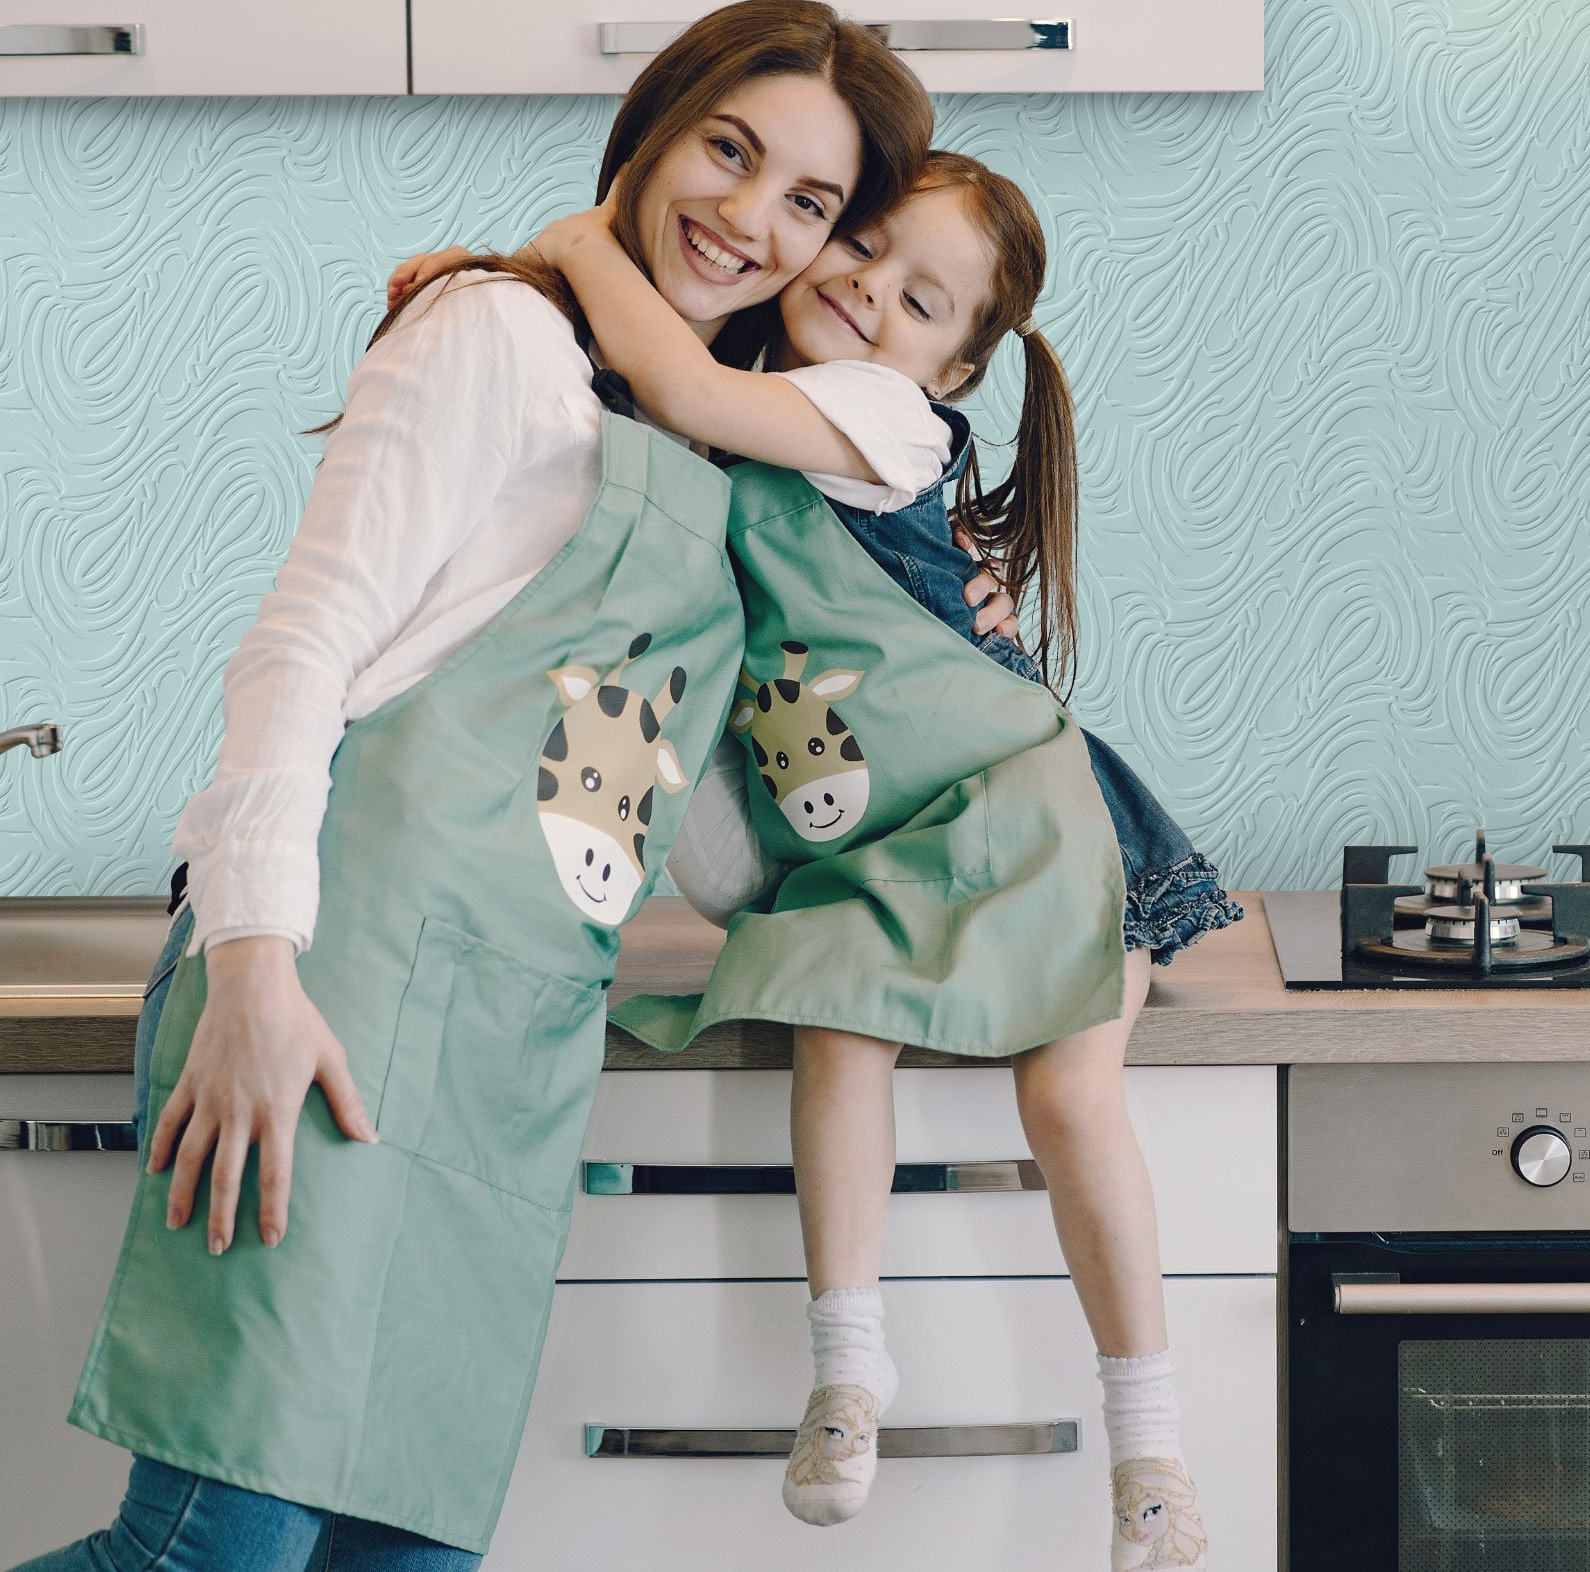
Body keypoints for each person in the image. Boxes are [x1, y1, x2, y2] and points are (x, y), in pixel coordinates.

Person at [9, 0, 1004, 1570]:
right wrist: (254, 974)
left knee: (405, 1561)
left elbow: (709, 841)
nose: (751, 217)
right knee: (207, 1553)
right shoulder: (495, 332)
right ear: (655, 130)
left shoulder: (725, 461)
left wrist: (942, 692)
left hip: (510, 1051)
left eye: (809, 200)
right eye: (728, 149)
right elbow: (302, 644)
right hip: (331, 988)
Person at [517, 148, 1237, 1571]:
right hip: (880, 860)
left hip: (1031, 816)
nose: (867, 291)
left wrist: (575, 244)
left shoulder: (878, 417)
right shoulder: (729, 450)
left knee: (1071, 1095)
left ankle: (1151, 1452)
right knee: (834, 1030)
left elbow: (688, 387)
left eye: (920, 300)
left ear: (951, 372)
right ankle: (848, 1373)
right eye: (863, 245)